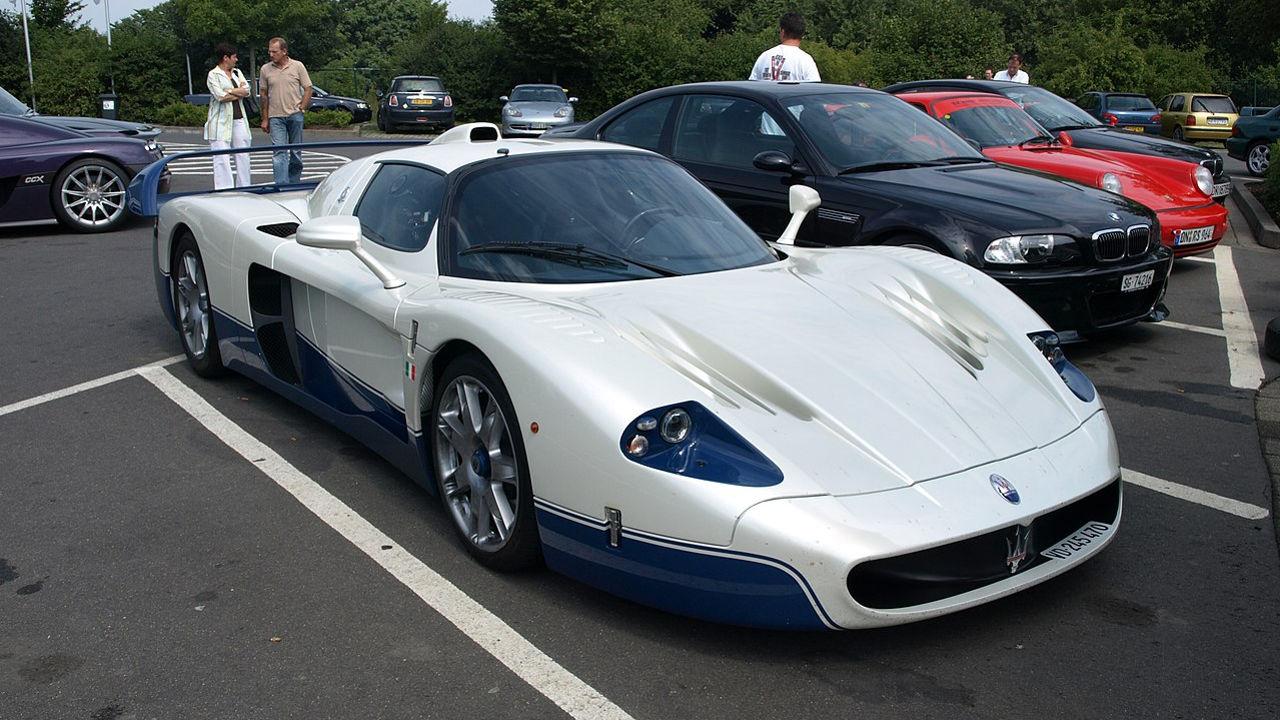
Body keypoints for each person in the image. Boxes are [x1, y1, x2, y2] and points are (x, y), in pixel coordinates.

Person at [259, 36, 312, 184]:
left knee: (296, 151)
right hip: (275, 117)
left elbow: (308, 88)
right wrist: (265, 118)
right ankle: (281, 184)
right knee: (279, 152)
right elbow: (263, 95)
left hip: (295, 114)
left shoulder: (297, 66)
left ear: (284, 51)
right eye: (269, 51)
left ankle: (294, 182)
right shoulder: (265, 69)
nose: (271, 54)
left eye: (274, 51)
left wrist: (302, 107)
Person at [204, 43, 253, 189]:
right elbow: (220, 96)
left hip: (239, 120)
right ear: (225, 58)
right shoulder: (213, 75)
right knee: (221, 158)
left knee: (243, 155)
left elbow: (248, 91)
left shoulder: (237, 73)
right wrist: (239, 93)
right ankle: (224, 190)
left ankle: (244, 187)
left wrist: (230, 90)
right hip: (220, 122)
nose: (236, 60)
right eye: (234, 57)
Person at [748, 13, 820, 82]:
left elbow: (751, 87)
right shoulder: (806, 60)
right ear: (802, 34)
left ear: (782, 32)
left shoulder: (764, 57)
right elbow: (815, 90)